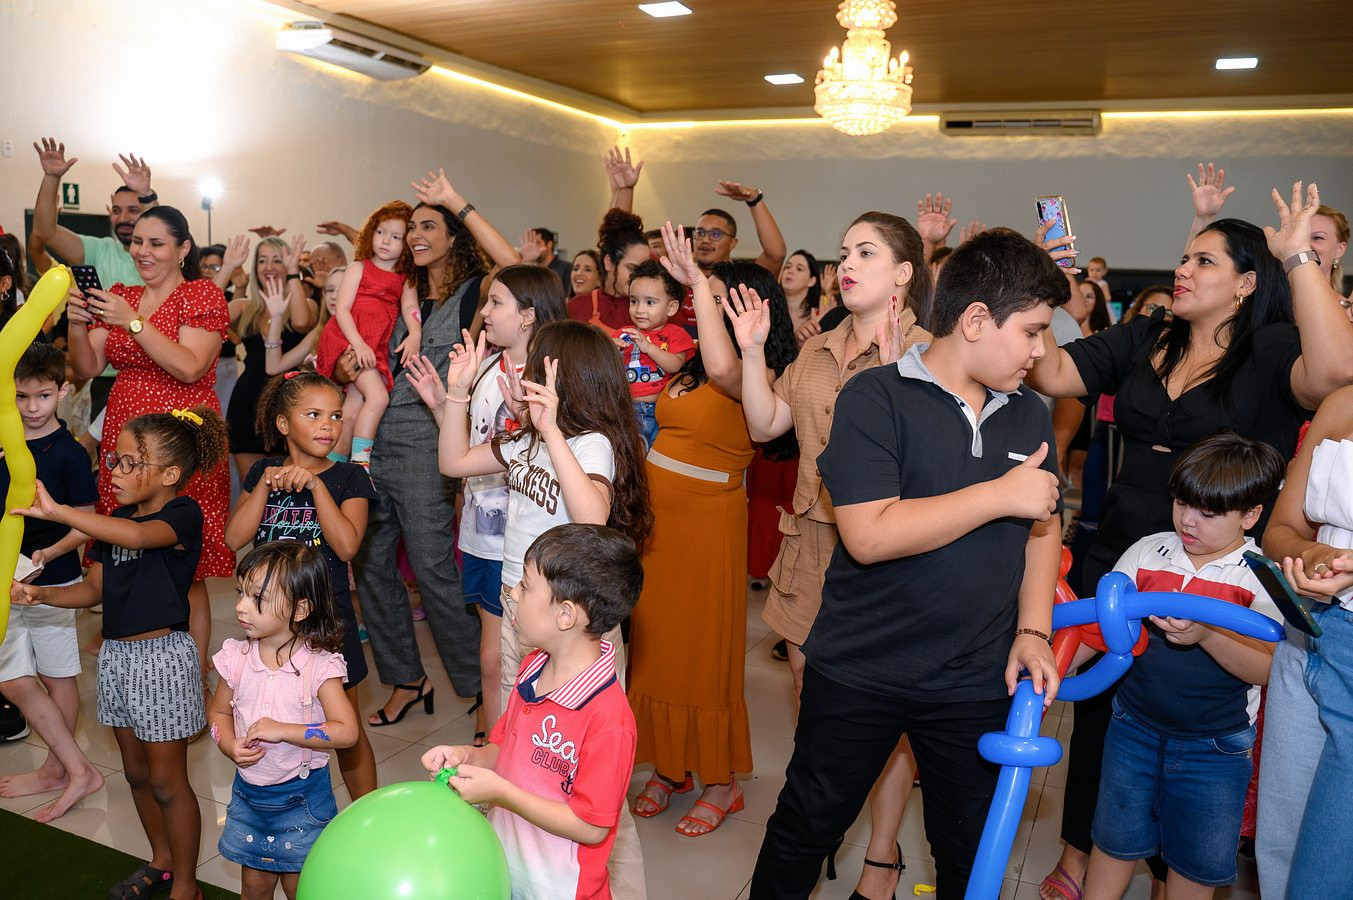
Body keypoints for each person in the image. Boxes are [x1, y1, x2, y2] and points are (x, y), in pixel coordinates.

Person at [1028, 178, 1353, 900]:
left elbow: (1337, 371)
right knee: (1102, 713)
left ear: (1245, 283)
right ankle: (1085, 852)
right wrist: (1048, 286)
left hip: (1220, 563)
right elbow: (1050, 369)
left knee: (1198, 716)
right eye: (1184, 257)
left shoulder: (1271, 349)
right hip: (1125, 548)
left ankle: (1175, 869)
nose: (1182, 269)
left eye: (1204, 261)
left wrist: (1298, 257)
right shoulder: (1147, 334)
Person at [751, 228, 1068, 898]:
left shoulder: (1027, 415)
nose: (1040, 352)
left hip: (974, 676)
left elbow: (1043, 526)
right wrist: (997, 495)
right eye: (1032, 332)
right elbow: (868, 534)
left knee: (969, 848)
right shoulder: (876, 398)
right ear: (975, 320)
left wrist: (1033, 629)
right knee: (806, 825)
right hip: (861, 665)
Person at [732, 211, 931, 896]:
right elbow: (766, 424)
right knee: (813, 697)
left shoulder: (929, 353)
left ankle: (881, 852)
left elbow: (931, 465)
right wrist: (752, 351)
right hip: (813, 540)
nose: (845, 264)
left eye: (865, 253)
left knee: (885, 716)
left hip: (887, 550)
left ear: (903, 273)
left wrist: (897, 371)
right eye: (843, 252)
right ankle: (814, 825)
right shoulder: (817, 347)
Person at [12, 406, 228, 900]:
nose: (114, 471)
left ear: (170, 475)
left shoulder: (181, 514)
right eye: (115, 459)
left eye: (131, 463)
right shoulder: (117, 521)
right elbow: (93, 590)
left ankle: (187, 886)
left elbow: (140, 537)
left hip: (162, 660)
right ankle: (162, 862)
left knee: (168, 783)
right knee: (136, 775)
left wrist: (62, 514)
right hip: (116, 660)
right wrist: (40, 594)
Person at [626, 225, 796, 837]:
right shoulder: (691, 362)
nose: (704, 307)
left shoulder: (757, 371)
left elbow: (727, 367)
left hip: (708, 523)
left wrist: (696, 282)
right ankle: (670, 766)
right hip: (659, 525)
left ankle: (722, 782)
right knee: (656, 645)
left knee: (702, 652)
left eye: (715, 298)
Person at [341, 168, 518, 731]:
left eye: (427, 226)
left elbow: (513, 264)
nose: (415, 235)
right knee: (371, 565)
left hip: (428, 448)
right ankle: (406, 679)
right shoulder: (396, 294)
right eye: (410, 227)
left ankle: (478, 690)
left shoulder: (474, 296)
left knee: (433, 568)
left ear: (452, 236)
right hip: (373, 444)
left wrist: (454, 201)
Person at [1083, 433, 1284, 899]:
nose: (1187, 521)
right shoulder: (1147, 551)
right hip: (1132, 729)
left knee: (1195, 864)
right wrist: (1052, 668)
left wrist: (1208, 635)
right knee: (1112, 842)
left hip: (1215, 749)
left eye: (1207, 513)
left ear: (1250, 515)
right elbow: (1099, 628)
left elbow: (1267, 668)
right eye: (1181, 503)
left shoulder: (1260, 576)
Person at [63, 205, 234, 695]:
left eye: (156, 243)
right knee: (126, 551)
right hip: (126, 438)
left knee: (186, 568)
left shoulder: (200, 294)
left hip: (181, 441)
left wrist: (134, 322)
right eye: (137, 241)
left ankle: (191, 682)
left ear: (182, 249)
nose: (143, 251)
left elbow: (190, 365)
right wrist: (77, 324)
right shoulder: (123, 294)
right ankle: (138, 668)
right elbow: (88, 367)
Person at [435, 320, 651, 703]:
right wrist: (457, 393)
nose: (525, 375)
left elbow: (592, 518)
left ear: (565, 381)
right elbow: (454, 462)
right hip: (519, 595)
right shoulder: (526, 437)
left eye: (535, 366)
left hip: (570, 606)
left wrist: (550, 431)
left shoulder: (591, 443)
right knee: (515, 703)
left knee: (577, 712)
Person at [421, 524, 641, 900]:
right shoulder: (533, 669)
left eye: (525, 586)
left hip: (559, 889)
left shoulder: (608, 719)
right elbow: (505, 750)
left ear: (566, 615)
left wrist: (502, 793)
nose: (512, 592)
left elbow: (590, 827)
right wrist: (467, 757)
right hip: (506, 869)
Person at [402, 264, 568, 743]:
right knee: (493, 660)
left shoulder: (550, 375)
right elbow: (469, 452)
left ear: (528, 315)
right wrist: (442, 403)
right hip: (481, 533)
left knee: (523, 660)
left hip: (527, 542)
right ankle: (500, 748)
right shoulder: (488, 367)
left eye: (496, 302)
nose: (484, 312)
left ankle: (523, 750)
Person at [224, 371, 379, 798]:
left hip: (329, 626)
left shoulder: (349, 478)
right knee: (279, 719)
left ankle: (368, 814)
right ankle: (289, 804)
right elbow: (234, 538)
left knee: (346, 730)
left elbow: (346, 546)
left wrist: (315, 487)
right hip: (271, 628)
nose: (328, 425)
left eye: (335, 416)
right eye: (313, 415)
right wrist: (264, 486)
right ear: (283, 423)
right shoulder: (262, 471)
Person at [209, 541, 359, 900]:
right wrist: (228, 744)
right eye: (240, 593)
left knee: (300, 887)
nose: (241, 606)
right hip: (249, 796)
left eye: (257, 598)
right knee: (254, 885)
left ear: (301, 608)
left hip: (303, 798)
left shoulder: (319, 667)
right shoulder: (236, 658)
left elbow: (347, 732)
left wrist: (283, 731)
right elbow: (218, 713)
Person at [1257, 383, 1353, 897]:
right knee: (1281, 848)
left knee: (1324, 874)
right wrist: (1312, 556)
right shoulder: (1341, 403)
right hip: (1305, 633)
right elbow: (1281, 528)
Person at [0, 344, 102, 823]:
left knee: (58, 675)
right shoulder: (5, 441)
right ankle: (75, 767)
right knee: (12, 678)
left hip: (55, 580)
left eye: (42, 396)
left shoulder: (70, 454)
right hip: (5, 578)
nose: (32, 407)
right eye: (22, 397)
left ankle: (57, 770)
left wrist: (50, 553)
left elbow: (86, 522)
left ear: (63, 391)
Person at [317, 201, 421, 467]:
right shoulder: (359, 267)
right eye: (380, 232)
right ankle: (361, 464)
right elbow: (341, 309)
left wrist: (415, 334)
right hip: (349, 338)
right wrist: (359, 345)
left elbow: (410, 307)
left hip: (374, 343)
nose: (385, 241)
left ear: (407, 243)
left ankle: (333, 466)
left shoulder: (404, 277)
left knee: (352, 408)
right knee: (378, 397)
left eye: (396, 237)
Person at [219, 234, 317, 481]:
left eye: (277, 260)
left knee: (288, 488)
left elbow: (301, 323)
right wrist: (227, 268)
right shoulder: (244, 306)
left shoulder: (307, 304)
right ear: (255, 268)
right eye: (262, 261)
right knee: (252, 488)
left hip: (290, 402)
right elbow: (203, 313)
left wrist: (293, 271)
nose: (269, 267)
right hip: (247, 401)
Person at [30, 138, 155, 287]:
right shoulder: (100, 251)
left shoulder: (163, 256)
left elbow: (161, 230)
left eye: (133, 210)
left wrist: (147, 195)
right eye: (116, 210)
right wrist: (51, 178)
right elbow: (44, 231)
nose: (123, 218)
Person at [614, 259, 696, 447]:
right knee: (631, 451)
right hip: (625, 408)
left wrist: (649, 347)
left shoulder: (675, 334)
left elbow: (676, 365)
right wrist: (612, 350)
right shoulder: (624, 333)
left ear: (671, 308)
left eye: (650, 302)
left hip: (660, 411)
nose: (639, 309)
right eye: (634, 301)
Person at [568, 210, 650, 331]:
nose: (638, 275)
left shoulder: (651, 312)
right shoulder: (576, 307)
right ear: (608, 262)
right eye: (631, 268)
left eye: (643, 269)